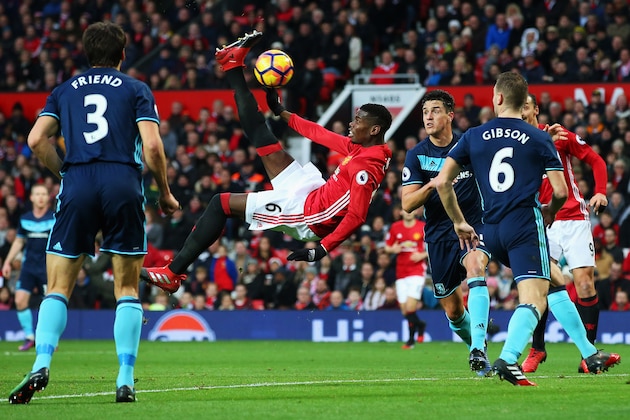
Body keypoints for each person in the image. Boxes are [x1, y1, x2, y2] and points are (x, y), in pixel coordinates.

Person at [141, 30, 392, 294]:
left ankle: (172, 273)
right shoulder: (362, 149)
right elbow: (321, 134)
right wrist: (282, 113)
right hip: (314, 193)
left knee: (220, 203)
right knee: (264, 139)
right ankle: (231, 63)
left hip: (309, 216)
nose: (352, 124)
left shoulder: (368, 167)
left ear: (374, 130)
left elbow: (357, 215)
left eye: (358, 121)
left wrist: (321, 249)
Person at [9, 22, 180, 404]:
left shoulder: (64, 90)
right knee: (126, 290)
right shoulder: (137, 89)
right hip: (122, 182)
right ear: (122, 54)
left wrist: (67, 171)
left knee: (58, 287)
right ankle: (125, 377)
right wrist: (165, 194)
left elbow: (36, 139)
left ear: (86, 54)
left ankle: (41, 361)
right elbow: (152, 147)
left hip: (79, 182)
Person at [435, 72, 618, 386]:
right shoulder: (539, 137)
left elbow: (441, 182)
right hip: (524, 226)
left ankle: (589, 353)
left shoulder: (473, 135)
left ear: (500, 99)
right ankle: (508, 359)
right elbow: (560, 191)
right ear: (525, 104)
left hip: (489, 227)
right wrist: (549, 211)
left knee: (556, 280)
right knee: (534, 298)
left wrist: (458, 221)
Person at [401, 89, 492, 376]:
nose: (429, 116)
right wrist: (434, 184)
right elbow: (407, 204)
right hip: (438, 235)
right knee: (453, 311)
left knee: (476, 266)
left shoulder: (469, 146)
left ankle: (478, 348)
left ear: (450, 115)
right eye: (426, 111)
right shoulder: (417, 155)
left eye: (436, 110)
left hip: (472, 227)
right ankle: (476, 346)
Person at [521, 92, 610, 373]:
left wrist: (601, 192)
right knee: (541, 285)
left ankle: (589, 354)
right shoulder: (515, 144)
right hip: (541, 221)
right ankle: (538, 349)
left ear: (536, 108)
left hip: (573, 217)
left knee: (584, 284)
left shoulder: (559, 135)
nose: (522, 110)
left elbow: (596, 161)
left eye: (526, 105)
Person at [1, 184, 54, 351]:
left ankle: (50, 338)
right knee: (19, 300)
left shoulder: (55, 218)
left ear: (48, 198)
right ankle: (30, 337)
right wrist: (8, 261)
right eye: (37, 194)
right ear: (31, 197)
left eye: (43, 194)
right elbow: (19, 241)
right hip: (28, 267)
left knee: (50, 304)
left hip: (48, 268)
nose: (40, 197)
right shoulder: (25, 219)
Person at [384, 208, 428, 349]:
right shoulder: (395, 227)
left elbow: (433, 246)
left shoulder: (422, 227)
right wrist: (393, 250)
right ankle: (420, 325)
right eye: (405, 210)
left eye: (411, 209)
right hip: (401, 271)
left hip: (417, 271)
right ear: (400, 212)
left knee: (410, 307)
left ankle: (410, 340)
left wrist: (422, 255)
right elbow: (387, 247)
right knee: (404, 310)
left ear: (416, 212)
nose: (408, 212)